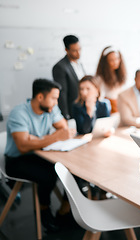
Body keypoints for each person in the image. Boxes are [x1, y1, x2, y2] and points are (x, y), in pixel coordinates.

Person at [4, 79, 76, 232]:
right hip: (16, 160)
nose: (56, 102)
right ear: (40, 97)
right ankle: (44, 210)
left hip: (39, 153)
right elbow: (23, 146)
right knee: (48, 175)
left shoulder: (51, 109)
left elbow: (65, 130)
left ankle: (66, 208)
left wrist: (36, 140)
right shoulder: (19, 113)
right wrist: (53, 138)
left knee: (71, 168)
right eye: (54, 98)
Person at [52, 35, 86, 120]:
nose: (78, 53)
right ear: (66, 50)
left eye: (79, 49)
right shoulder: (60, 67)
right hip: (72, 110)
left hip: (83, 107)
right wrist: (65, 115)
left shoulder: (80, 64)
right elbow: (62, 94)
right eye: (74, 50)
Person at [96, 46, 127, 114]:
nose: (115, 62)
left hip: (120, 109)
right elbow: (100, 99)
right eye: (111, 60)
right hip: (110, 111)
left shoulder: (120, 76)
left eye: (117, 59)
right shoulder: (100, 79)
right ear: (106, 62)